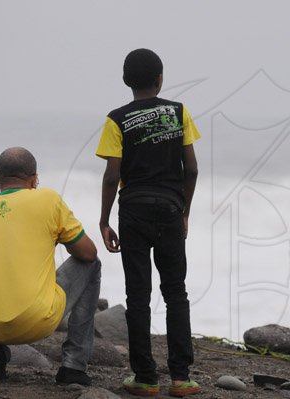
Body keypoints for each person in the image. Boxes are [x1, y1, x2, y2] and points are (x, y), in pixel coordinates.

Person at [96, 48, 200, 397]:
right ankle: (181, 378)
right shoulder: (178, 112)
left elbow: (112, 177)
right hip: (171, 209)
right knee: (176, 292)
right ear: (160, 80)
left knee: (138, 293)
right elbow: (193, 169)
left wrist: (104, 220)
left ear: (127, 81)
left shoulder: (116, 119)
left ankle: (145, 377)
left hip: (134, 210)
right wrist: (184, 211)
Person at [0, 147, 101, 386]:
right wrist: (58, 237)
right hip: (35, 322)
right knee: (92, 265)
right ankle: (74, 366)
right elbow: (88, 253)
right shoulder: (47, 199)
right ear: (34, 179)